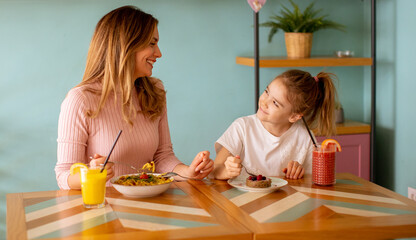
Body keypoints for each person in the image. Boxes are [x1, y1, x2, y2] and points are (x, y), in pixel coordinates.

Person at [55, 5, 214, 190]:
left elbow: (162, 157)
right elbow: (63, 175)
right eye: (152, 43)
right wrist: (90, 174)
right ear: (127, 45)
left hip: (150, 206)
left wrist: (188, 172)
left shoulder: (155, 91)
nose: (159, 53)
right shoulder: (80, 100)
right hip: (103, 209)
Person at [212, 69, 337, 180]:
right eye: (267, 92)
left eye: (275, 103)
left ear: (294, 116)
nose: (264, 102)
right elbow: (215, 170)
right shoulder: (242, 127)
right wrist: (226, 171)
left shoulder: (305, 138)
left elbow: (313, 181)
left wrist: (299, 173)